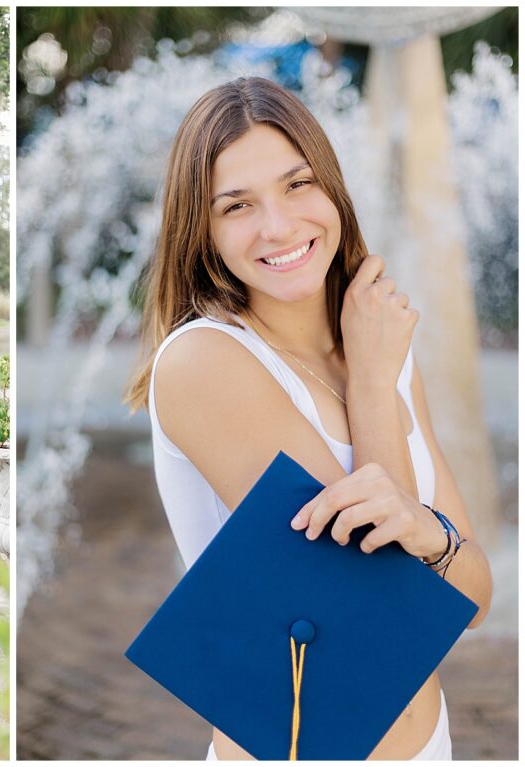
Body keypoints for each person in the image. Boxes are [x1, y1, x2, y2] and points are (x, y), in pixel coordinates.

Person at [125, 77, 493, 759]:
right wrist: (376, 389)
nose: (279, 225)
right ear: (200, 230)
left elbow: (475, 597)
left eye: (298, 185)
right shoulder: (206, 360)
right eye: (237, 205)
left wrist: (430, 538)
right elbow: (377, 618)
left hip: (428, 744)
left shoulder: (371, 336)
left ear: (332, 189)